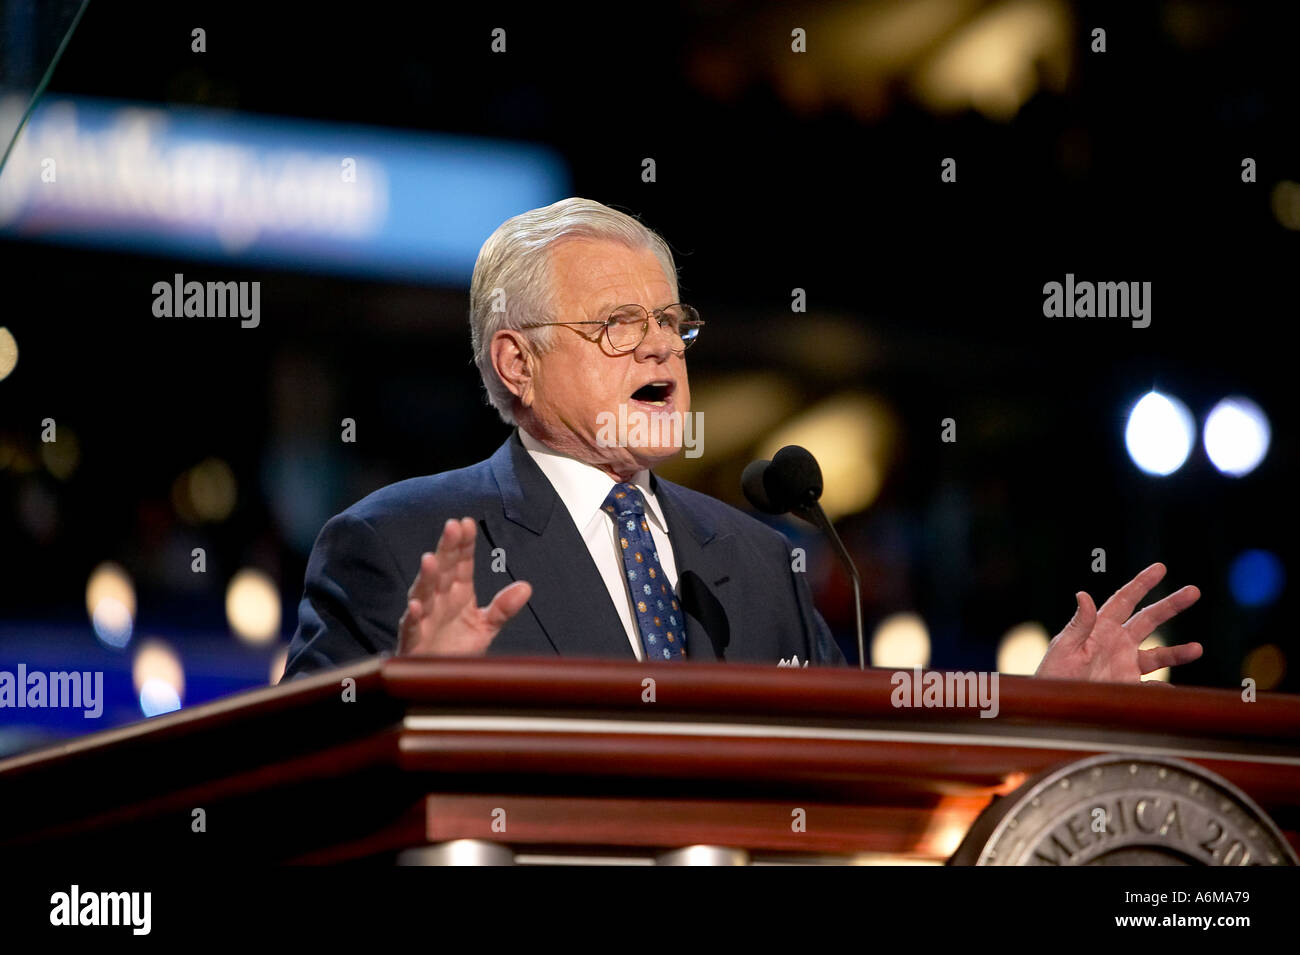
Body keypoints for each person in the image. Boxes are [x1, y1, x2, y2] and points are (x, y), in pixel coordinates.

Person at [282, 198, 1202, 682]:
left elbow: (858, 770)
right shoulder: (393, 543)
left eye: (670, 321)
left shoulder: (765, 562)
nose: (657, 345)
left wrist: (1032, 710)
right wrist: (406, 698)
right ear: (515, 363)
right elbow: (292, 795)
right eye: (616, 324)